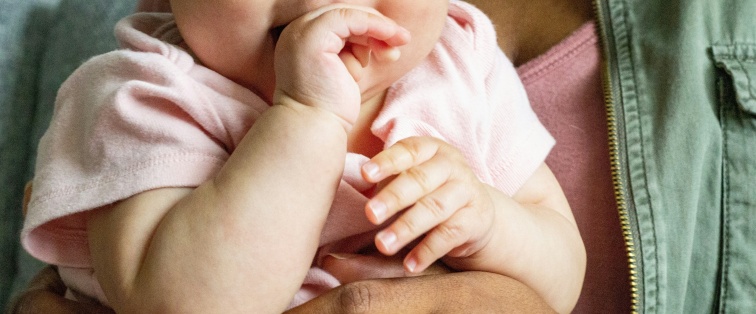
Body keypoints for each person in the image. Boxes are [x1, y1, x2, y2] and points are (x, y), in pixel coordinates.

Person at [11, 0, 756, 312]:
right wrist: (306, 118)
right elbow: (185, 304)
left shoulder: (464, 63)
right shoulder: (146, 95)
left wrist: (490, 222)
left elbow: (557, 276)